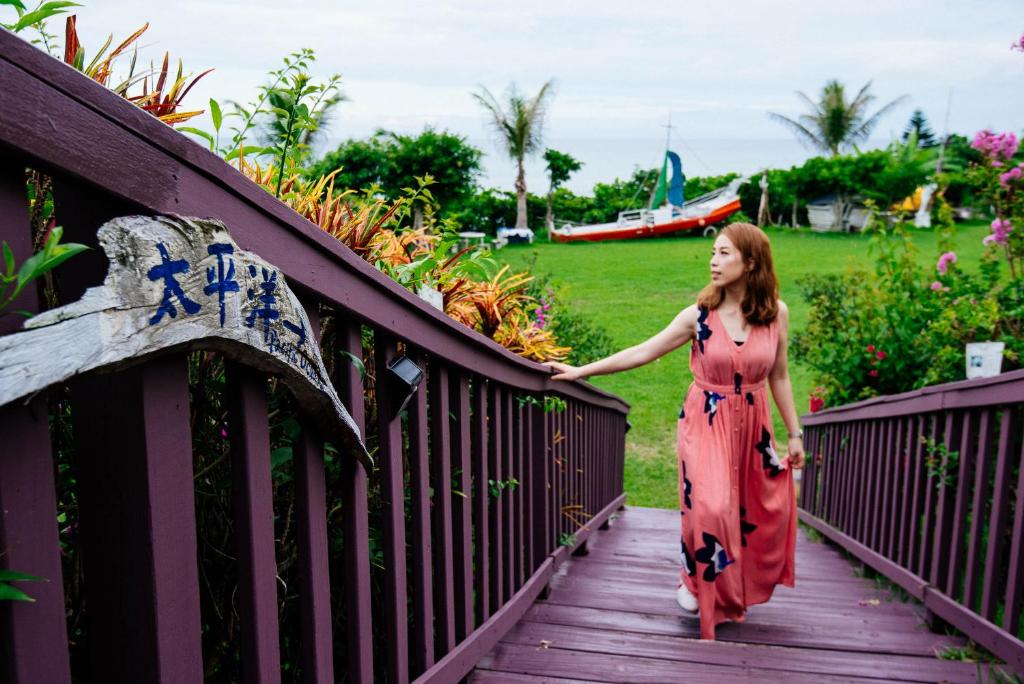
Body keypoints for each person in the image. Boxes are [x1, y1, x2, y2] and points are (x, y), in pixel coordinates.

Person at [543, 221, 805, 641]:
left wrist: (794, 434)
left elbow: (780, 376)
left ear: (751, 262)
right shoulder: (699, 316)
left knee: (751, 513)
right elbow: (644, 350)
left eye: (724, 253)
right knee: (713, 507)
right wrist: (581, 372)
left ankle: (733, 590)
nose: (713, 261)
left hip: (753, 425)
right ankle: (693, 579)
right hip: (706, 419)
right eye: (713, 253)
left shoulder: (776, 313)